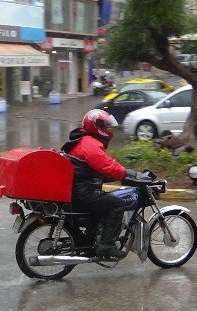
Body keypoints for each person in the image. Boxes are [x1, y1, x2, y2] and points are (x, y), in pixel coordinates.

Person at [61, 109, 147, 259]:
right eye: (105, 127)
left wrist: (118, 175)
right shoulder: (90, 144)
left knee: (105, 204)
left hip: (79, 190)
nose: (107, 130)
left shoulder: (83, 140)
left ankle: (93, 237)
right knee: (117, 204)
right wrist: (129, 174)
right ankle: (106, 245)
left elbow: (96, 169)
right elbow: (107, 166)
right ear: (97, 127)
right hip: (85, 193)